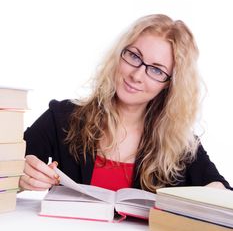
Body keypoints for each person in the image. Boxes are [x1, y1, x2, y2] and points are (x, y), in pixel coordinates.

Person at [19, 14, 232, 192]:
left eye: (157, 70)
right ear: (119, 54)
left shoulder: (180, 146)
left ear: (169, 84)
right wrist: (20, 175)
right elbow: (8, 167)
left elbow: (221, 192)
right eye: (134, 56)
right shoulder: (63, 117)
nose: (137, 75)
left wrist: (215, 193)